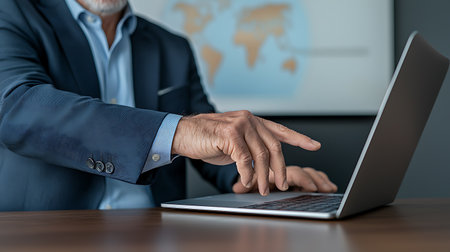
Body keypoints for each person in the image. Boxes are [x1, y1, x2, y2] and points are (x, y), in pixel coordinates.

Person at [0, 0, 337, 211]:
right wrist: (178, 131)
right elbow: (19, 107)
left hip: (161, 231)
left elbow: (212, 153)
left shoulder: (171, 46)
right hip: (50, 232)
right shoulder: (12, 14)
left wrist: (262, 178)